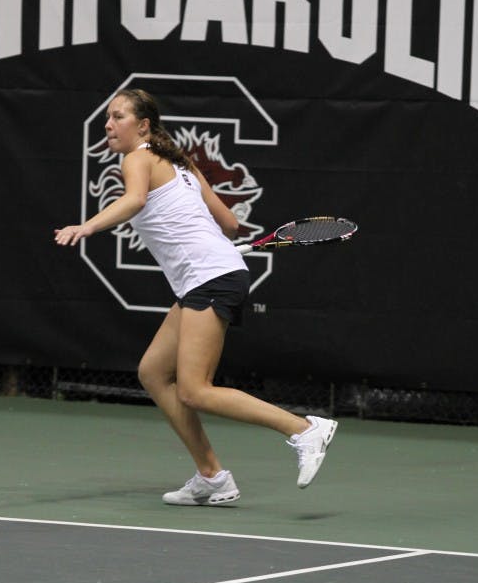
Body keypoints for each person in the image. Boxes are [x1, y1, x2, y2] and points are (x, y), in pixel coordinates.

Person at [55, 88, 337, 505]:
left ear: (143, 126)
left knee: (194, 390)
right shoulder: (181, 162)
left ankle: (303, 429)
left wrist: (88, 227)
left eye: (117, 118)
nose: (108, 125)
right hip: (208, 275)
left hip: (210, 277)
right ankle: (212, 477)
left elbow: (134, 201)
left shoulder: (136, 159)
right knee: (153, 372)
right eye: (108, 118)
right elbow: (227, 222)